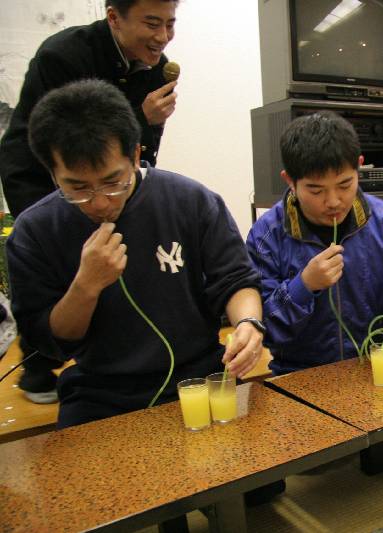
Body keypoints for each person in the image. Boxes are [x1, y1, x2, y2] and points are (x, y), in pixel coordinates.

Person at [6, 79, 263, 429]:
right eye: (78, 188)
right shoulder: (35, 232)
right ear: (52, 173)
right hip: (99, 393)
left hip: (201, 377)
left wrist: (248, 323)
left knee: (255, 458)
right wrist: (86, 286)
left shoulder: (191, 201)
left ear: (136, 155)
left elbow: (235, 279)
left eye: (113, 182)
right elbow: (50, 343)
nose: (100, 203)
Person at [0, 0, 180, 403]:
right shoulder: (63, 55)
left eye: (169, 24)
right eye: (152, 23)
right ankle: (38, 363)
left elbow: (136, 147)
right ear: (114, 17)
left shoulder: (158, 68)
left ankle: (111, 355)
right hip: (40, 174)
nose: (162, 36)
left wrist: (145, 133)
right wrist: (141, 117)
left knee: (109, 261)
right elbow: (64, 139)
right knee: (56, 266)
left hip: (103, 175)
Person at [247, 111, 383, 455]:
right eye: (315, 190)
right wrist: (303, 286)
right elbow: (262, 328)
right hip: (302, 372)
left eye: (344, 184)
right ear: (289, 180)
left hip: (373, 365)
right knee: (314, 458)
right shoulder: (266, 235)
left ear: (359, 167)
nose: (333, 201)